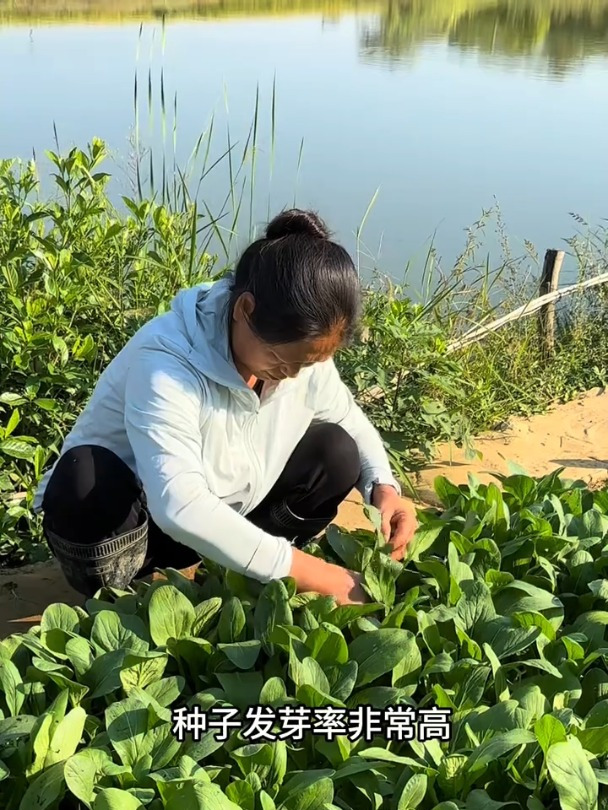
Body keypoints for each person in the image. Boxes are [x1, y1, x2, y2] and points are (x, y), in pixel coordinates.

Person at [34, 208, 417, 602]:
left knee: (337, 451)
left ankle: (238, 568)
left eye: (311, 363)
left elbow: (348, 418)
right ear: (244, 310)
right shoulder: (166, 361)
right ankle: (120, 595)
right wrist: (312, 573)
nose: (294, 375)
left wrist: (383, 490)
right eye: (284, 361)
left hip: (221, 519)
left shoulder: (299, 349)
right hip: (137, 529)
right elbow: (178, 505)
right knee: (84, 478)